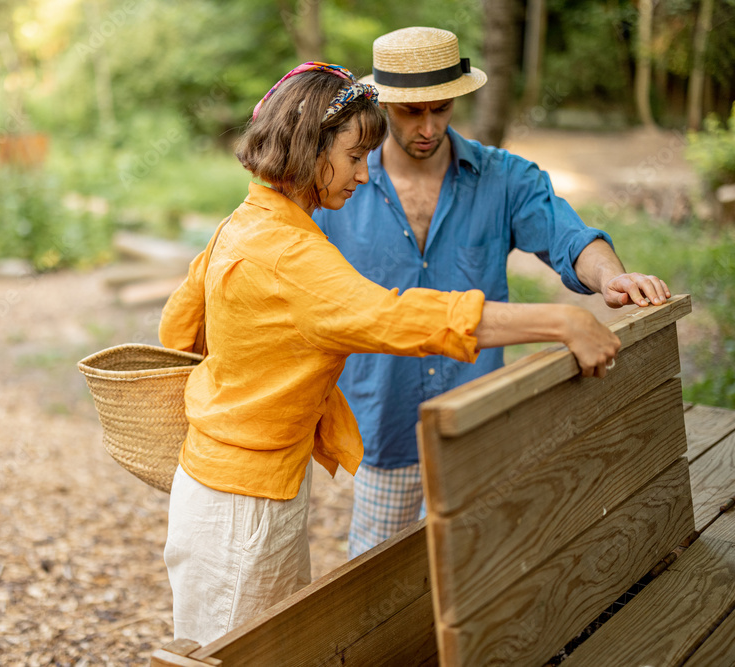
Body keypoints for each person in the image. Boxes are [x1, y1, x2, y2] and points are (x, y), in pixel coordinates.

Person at [158, 61, 620, 647]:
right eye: (353, 157)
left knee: (270, 652)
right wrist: (557, 320)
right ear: (309, 145)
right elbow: (395, 316)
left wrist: (241, 379)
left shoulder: (250, 220)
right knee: (228, 655)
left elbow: (178, 325)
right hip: (239, 506)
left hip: (246, 484)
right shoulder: (289, 251)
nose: (360, 173)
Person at [312, 27, 673, 559]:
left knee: (480, 569)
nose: (429, 127)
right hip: (381, 426)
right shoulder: (341, 184)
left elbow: (568, 236)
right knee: (379, 584)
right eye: (413, 113)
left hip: (478, 423)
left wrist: (610, 277)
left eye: (441, 109)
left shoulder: (505, 177)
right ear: (385, 104)